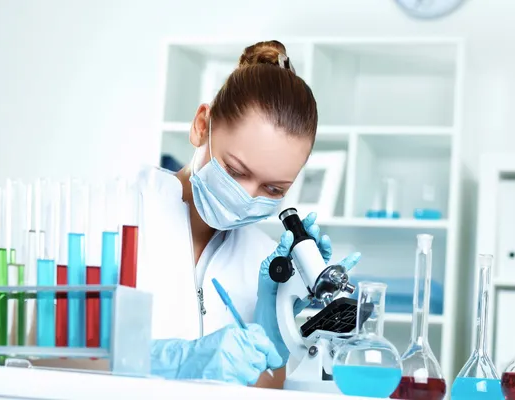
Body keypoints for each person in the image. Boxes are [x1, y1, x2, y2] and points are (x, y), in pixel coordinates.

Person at [137, 40, 362, 388]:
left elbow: (266, 387)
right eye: (236, 171)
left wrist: (278, 316)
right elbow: (33, 351)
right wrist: (173, 363)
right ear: (202, 125)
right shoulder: (118, 213)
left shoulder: (263, 260)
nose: (246, 197)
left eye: (273, 189)